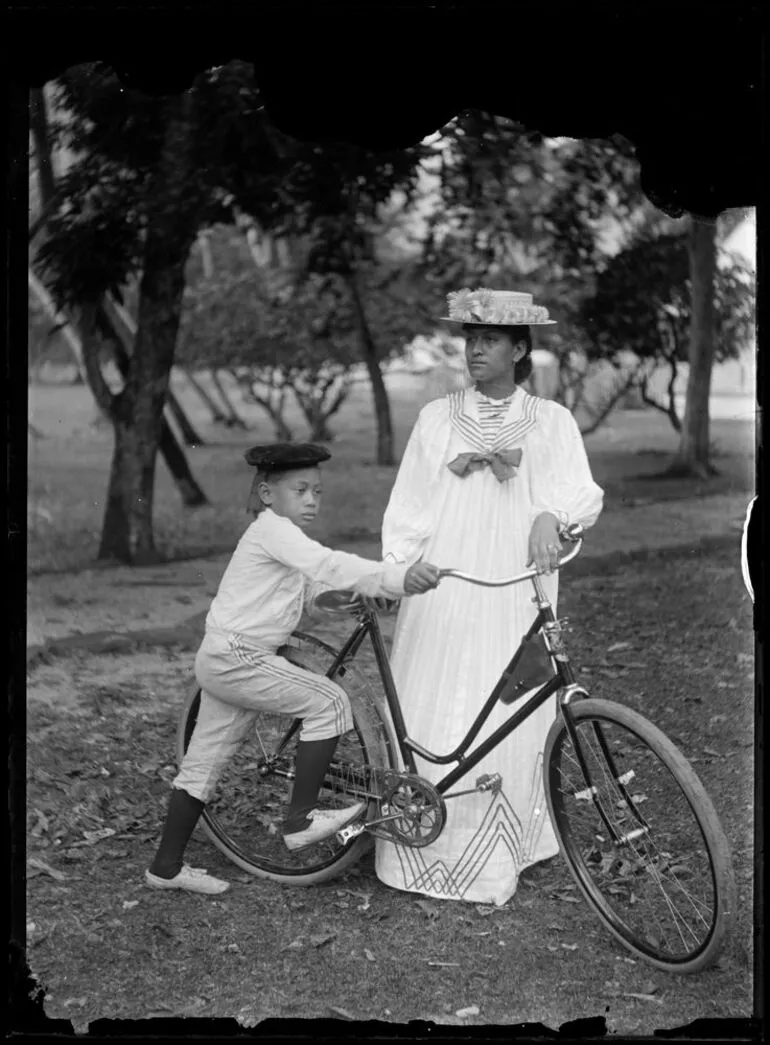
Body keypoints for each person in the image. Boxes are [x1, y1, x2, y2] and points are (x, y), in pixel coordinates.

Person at [375, 288, 604, 906]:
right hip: (448, 578)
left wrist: (549, 516)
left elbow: (582, 492)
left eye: (490, 340)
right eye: (470, 339)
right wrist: (399, 568)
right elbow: (411, 502)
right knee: (440, 691)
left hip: (513, 581)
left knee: (510, 696)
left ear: (520, 349)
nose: (475, 350)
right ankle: (427, 834)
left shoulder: (550, 422)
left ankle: (507, 843)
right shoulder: (437, 418)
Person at [146, 442, 441, 895]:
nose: (311, 500)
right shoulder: (272, 532)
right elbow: (327, 564)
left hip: (231, 659)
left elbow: (313, 590)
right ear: (267, 494)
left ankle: (165, 868)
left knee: (202, 767)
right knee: (328, 702)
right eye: (300, 490)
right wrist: (395, 576)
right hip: (239, 656)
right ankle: (300, 819)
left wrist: (353, 594)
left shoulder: (283, 541)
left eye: (317, 492)